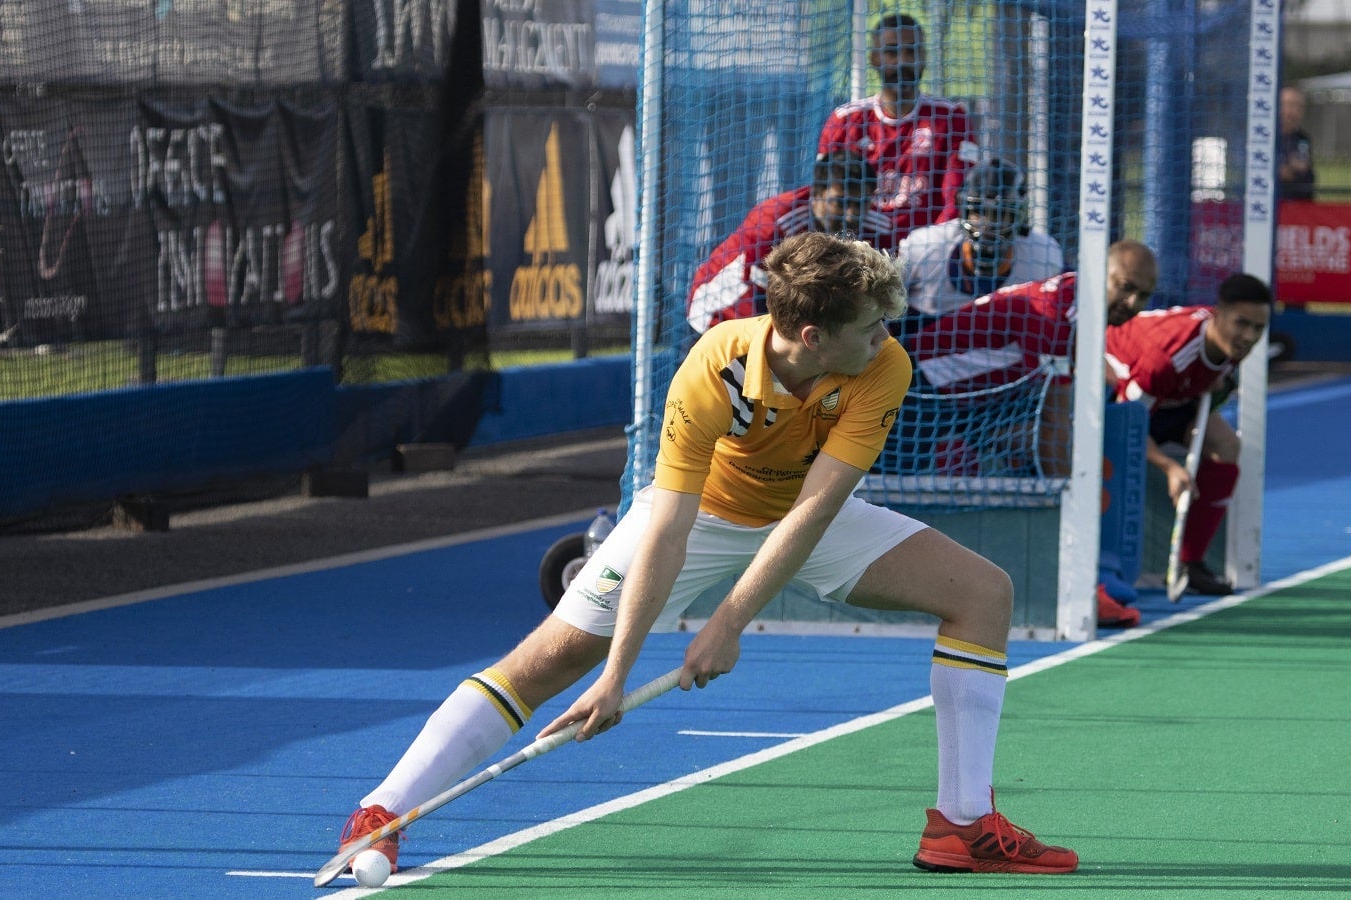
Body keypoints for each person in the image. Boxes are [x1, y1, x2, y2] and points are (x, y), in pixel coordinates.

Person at [335, 231, 1081, 877]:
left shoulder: (881, 368)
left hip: (806, 514)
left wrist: (729, 620)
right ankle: (382, 813)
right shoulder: (713, 368)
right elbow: (666, 523)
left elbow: (816, 510)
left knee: (983, 594)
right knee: (550, 663)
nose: (889, 337)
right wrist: (617, 677)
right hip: (703, 516)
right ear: (814, 334)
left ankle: (961, 825)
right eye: (873, 326)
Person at [906, 240, 1161, 627]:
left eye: (1143, 294)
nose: (1132, 302)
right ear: (1099, 273)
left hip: (967, 406)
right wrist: (1077, 502)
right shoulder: (1060, 314)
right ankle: (1076, 582)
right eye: (1125, 286)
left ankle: (1056, 576)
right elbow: (1055, 428)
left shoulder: (1079, 303)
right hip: (918, 395)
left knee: (1040, 449)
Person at [1104, 273, 1273, 597]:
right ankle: (1106, 569)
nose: (1249, 337)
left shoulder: (1228, 344)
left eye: (1259, 328)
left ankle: (1191, 563)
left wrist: (1218, 388)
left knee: (1226, 445)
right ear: (1217, 314)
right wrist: (1169, 467)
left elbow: (1207, 386)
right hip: (1119, 395)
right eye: (1242, 324)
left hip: (1166, 398)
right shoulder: (1165, 357)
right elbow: (1129, 424)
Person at [688, 152, 895, 333]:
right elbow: (756, 294)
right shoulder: (776, 222)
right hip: (720, 313)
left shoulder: (879, 228)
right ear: (817, 194)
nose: (852, 215)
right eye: (841, 203)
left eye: (861, 203)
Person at [818, 13, 979, 240]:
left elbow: (957, 199)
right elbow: (826, 199)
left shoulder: (952, 118)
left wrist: (925, 250)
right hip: (859, 254)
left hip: (928, 257)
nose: (902, 61)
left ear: (923, 57)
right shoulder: (844, 121)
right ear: (874, 58)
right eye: (892, 52)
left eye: (911, 51)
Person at [895, 158, 1065, 342]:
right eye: (979, 212)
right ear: (963, 209)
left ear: (1019, 215)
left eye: (1000, 214)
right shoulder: (924, 246)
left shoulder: (1044, 256)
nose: (988, 224)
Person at [1278, 85, 1316, 201]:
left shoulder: (1302, 139)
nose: (1291, 111)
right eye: (1288, 104)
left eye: (1298, 106)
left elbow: (1303, 171)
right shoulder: (1264, 140)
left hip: (1297, 204)